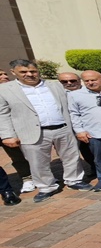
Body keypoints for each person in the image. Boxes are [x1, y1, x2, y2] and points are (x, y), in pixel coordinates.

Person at [0, 60, 92, 202]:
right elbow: (3, 114)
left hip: (63, 128)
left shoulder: (54, 85)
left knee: (71, 156)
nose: (30, 74)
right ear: (13, 72)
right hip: (31, 132)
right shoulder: (5, 90)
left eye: (33, 71)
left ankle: (74, 180)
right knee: (38, 162)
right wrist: (7, 135)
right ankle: (46, 187)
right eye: (24, 72)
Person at [0, 70, 34, 194]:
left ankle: (28, 178)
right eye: (0, 75)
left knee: (19, 155)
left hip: (12, 129)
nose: (4, 77)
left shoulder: (13, 90)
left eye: (5, 74)